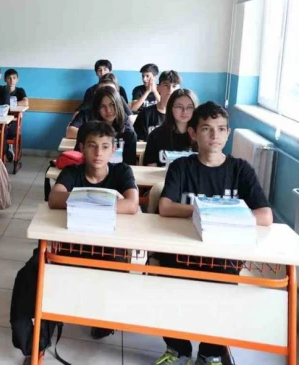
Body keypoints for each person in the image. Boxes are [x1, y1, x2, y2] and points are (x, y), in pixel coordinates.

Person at [155, 101, 272, 365]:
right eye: (206, 128)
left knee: (223, 301)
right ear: (193, 133)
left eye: (220, 129)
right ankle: (177, 349)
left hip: (223, 257)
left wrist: (216, 216)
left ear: (228, 133)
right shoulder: (181, 167)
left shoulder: (241, 169)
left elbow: (265, 215)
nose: (214, 135)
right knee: (170, 294)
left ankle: (211, 353)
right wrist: (203, 213)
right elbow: (165, 206)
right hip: (183, 252)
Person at [48, 120, 139, 341]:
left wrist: (83, 202)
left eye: (105, 146)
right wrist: (105, 203)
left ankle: (104, 317)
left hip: (110, 243)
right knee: (55, 269)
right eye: (92, 146)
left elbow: (131, 204)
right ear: (81, 148)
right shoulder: (73, 172)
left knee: (113, 268)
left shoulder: (122, 171)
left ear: (113, 149)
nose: (98, 153)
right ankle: (59, 309)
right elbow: (55, 198)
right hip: (76, 241)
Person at [143, 89, 199, 167]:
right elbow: (151, 168)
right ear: (171, 108)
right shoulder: (156, 135)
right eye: (179, 106)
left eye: (190, 107)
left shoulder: (200, 135)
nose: (184, 111)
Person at [133, 70, 181, 141]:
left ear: (179, 89)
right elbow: (139, 142)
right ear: (158, 88)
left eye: (174, 86)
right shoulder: (145, 114)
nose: (170, 90)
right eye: (166, 85)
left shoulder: (182, 114)